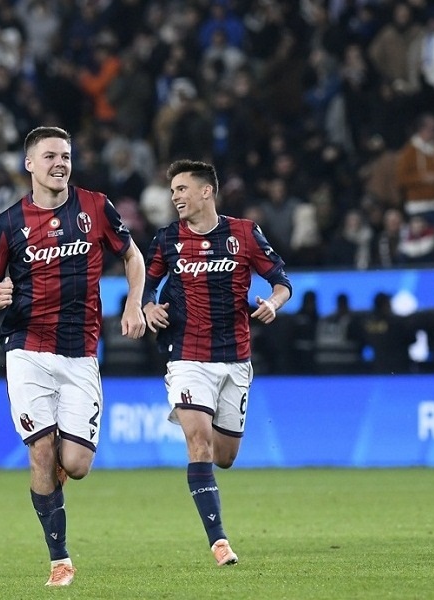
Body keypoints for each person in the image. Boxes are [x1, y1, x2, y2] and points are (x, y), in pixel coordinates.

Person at [0, 126, 146, 587]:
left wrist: (134, 303)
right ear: (29, 164)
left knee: (76, 465)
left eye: (66, 156)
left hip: (80, 352)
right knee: (40, 450)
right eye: (50, 155)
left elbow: (133, 257)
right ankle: (60, 560)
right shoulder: (9, 223)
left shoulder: (95, 207)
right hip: (26, 349)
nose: (60, 163)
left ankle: (53, 481)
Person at [142, 159, 292, 566]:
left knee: (224, 456)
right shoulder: (167, 239)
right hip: (187, 357)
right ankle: (219, 541)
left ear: (206, 191)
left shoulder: (244, 233)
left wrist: (273, 303)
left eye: (182, 189)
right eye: (173, 190)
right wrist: (148, 306)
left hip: (235, 358)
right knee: (199, 443)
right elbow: (145, 285)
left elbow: (282, 282)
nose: (175, 197)